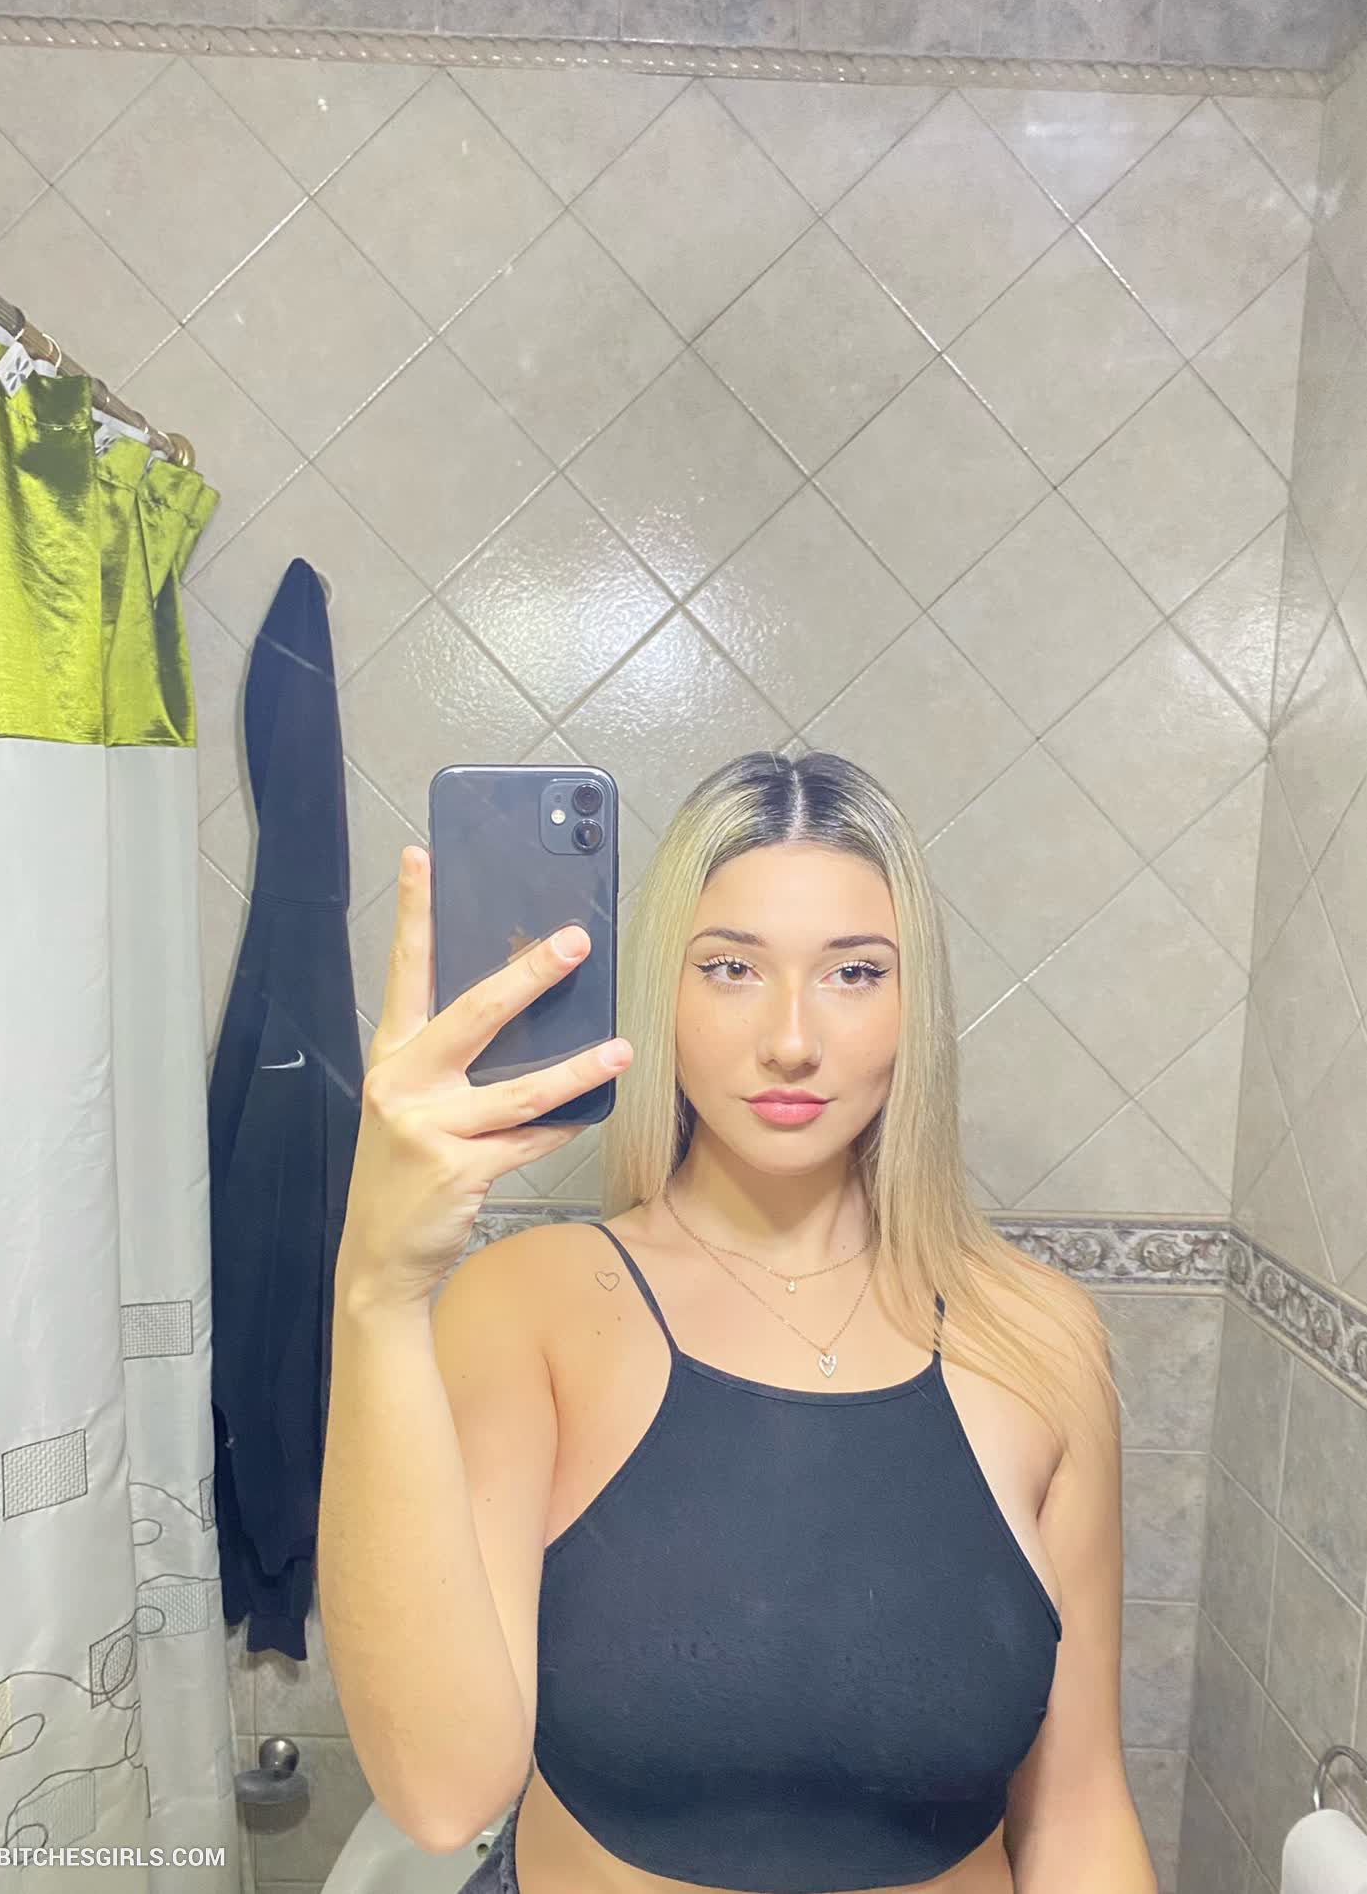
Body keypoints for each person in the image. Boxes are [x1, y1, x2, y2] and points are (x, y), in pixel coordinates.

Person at [318, 749, 1158, 1894]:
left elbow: (1079, 1808)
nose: (791, 1037)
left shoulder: (1042, 1340)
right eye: (730, 968)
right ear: (662, 991)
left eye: (854, 972)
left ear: (916, 1002)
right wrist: (376, 1292)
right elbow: (441, 1791)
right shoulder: (529, 1309)